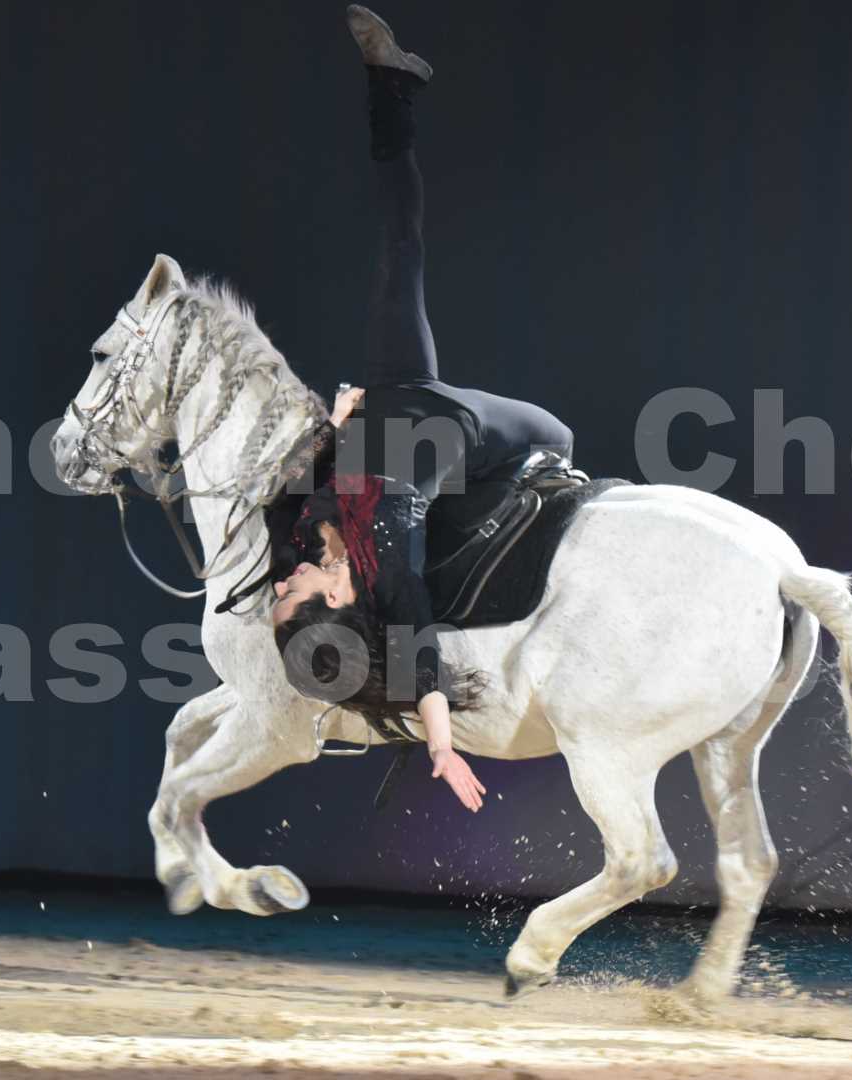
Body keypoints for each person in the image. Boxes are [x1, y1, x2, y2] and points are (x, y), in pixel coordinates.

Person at [264, 6, 575, 813]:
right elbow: (421, 658)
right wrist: (440, 747)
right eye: (290, 596)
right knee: (556, 435)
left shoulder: (299, 535)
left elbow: (298, 480)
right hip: (461, 435)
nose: (284, 585)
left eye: (279, 593)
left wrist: (338, 429)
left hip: (391, 392)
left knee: (401, 246)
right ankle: (542, 471)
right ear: (333, 603)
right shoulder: (387, 574)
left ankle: (391, 86)